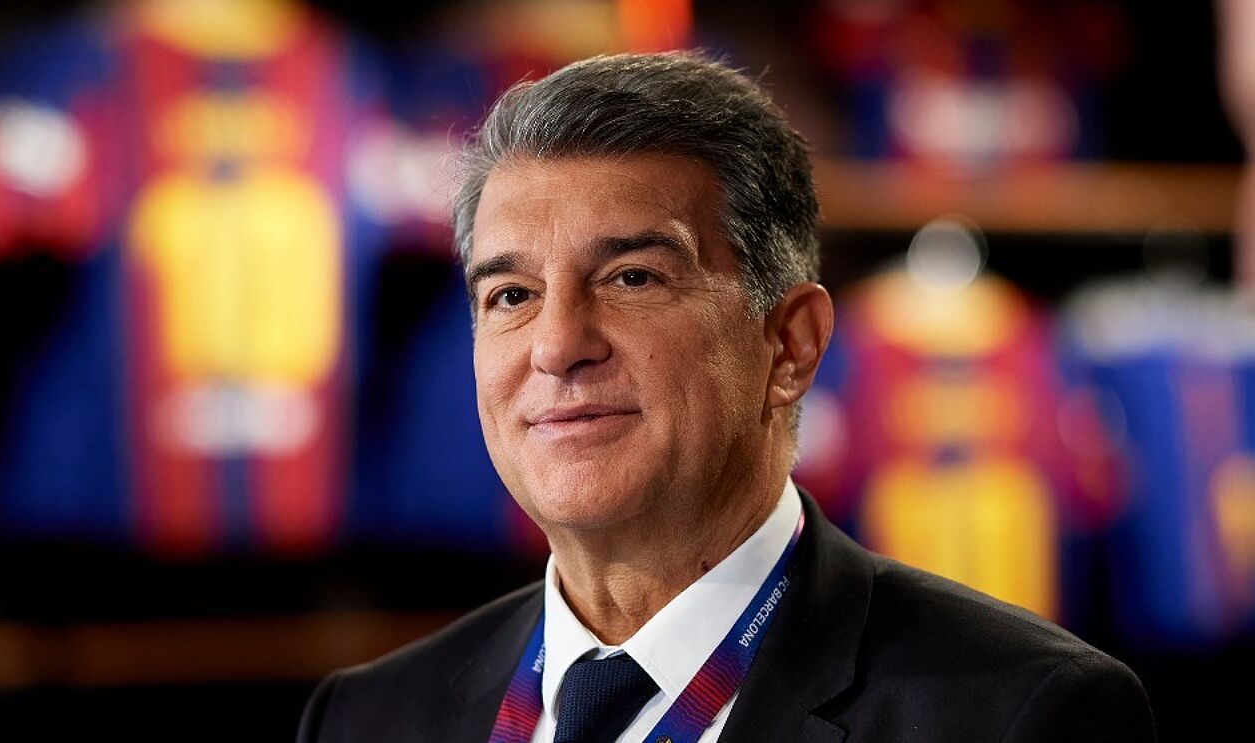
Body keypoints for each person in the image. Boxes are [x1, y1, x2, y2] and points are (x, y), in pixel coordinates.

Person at [297, 51, 1156, 742]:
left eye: (632, 277)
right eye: (511, 295)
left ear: (790, 346)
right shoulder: (362, 719)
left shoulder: (1022, 715)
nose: (556, 346)